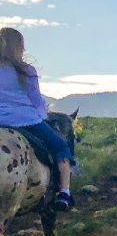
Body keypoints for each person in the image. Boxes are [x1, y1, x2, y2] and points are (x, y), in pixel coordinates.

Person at [0, 28, 74, 210]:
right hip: (26, 120)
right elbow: (36, 100)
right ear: (19, 47)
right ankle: (64, 193)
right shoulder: (26, 71)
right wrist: (43, 118)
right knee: (60, 146)